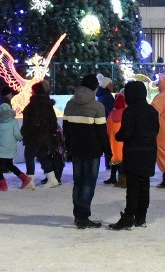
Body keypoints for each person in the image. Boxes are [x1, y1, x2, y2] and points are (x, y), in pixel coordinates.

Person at [109, 80, 160, 231]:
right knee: (144, 185)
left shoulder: (130, 111)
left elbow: (126, 133)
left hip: (133, 153)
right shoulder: (152, 111)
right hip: (149, 152)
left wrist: (117, 136)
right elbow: (156, 130)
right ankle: (141, 217)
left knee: (133, 187)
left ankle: (128, 216)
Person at [63, 73, 111, 228]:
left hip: (76, 150)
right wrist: (108, 151)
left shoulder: (70, 105)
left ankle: (78, 215)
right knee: (88, 183)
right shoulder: (97, 107)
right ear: (95, 88)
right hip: (92, 151)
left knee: (78, 182)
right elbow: (102, 133)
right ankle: (83, 217)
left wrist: (69, 148)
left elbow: (66, 130)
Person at [21, 81, 60, 187]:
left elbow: (28, 121)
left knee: (29, 156)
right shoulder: (47, 104)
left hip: (34, 135)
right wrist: (51, 133)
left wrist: (24, 133)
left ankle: (30, 181)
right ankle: (52, 179)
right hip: (45, 136)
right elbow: (53, 120)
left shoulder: (33, 104)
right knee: (42, 156)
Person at [0, 102, 30, 190]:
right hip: (11, 146)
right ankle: (24, 178)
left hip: (1, 147)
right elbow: (17, 134)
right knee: (8, 164)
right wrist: (21, 138)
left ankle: (3, 185)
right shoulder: (14, 121)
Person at [105, 92, 126, 186]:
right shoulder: (126, 113)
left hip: (113, 141)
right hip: (122, 142)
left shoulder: (111, 113)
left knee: (113, 159)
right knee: (122, 161)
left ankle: (112, 177)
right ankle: (122, 180)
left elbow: (108, 128)